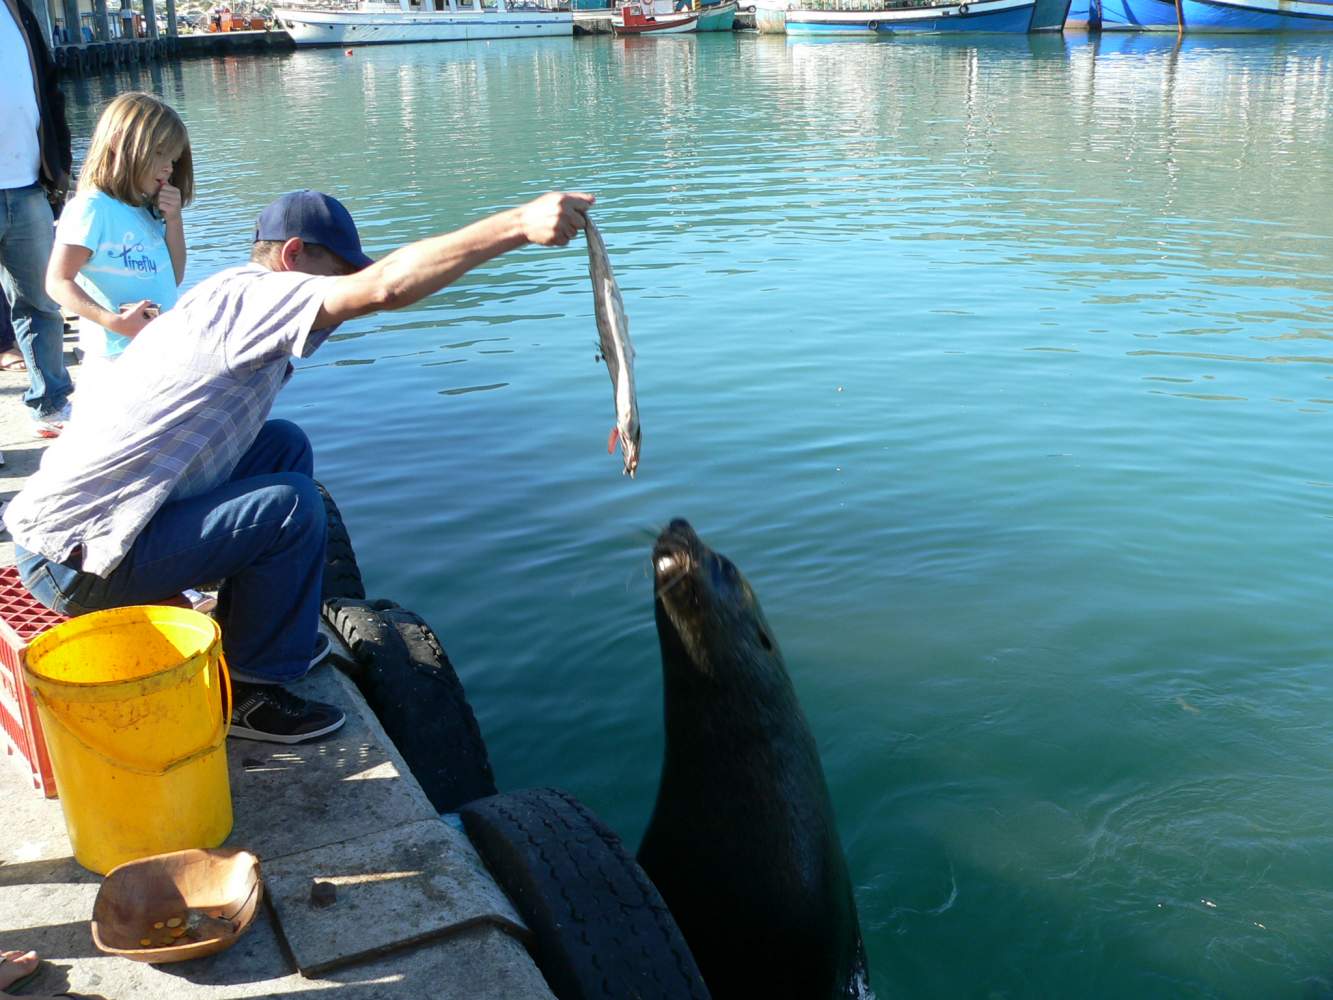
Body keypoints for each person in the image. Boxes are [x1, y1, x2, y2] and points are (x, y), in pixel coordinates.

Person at [5, 187, 593, 744]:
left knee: (282, 446)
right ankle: (252, 689)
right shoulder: (260, 297)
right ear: (293, 256)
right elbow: (385, 288)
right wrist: (516, 225)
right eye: (340, 274)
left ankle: (251, 627)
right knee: (291, 506)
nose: (346, 298)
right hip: (73, 563)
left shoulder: (226, 292)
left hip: (78, 533)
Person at [46, 92, 191, 391]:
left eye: (173, 159)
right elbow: (58, 281)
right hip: (114, 361)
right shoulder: (92, 208)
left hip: (157, 352)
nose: (168, 167)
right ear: (119, 145)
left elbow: (173, 277)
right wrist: (113, 322)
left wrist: (174, 221)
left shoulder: (145, 209)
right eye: (160, 153)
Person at [0, 0, 76, 438]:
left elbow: (49, 89)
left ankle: (50, 403)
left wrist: (59, 167)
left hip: (28, 183)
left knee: (41, 304)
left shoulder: (18, 10)